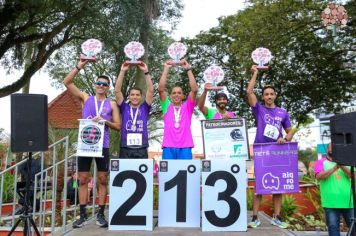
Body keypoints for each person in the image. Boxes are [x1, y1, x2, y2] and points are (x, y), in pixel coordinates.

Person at [64, 60, 120, 228]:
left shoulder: (111, 104)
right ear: (95, 85)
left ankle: (101, 214)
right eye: (99, 83)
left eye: (105, 84)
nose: (101, 85)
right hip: (85, 144)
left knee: (102, 179)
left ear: (108, 87)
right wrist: (80, 65)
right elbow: (67, 82)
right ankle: (82, 215)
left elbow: (117, 126)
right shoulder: (86, 98)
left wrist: (105, 121)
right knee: (82, 179)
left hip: (102, 145)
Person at [247, 65, 294, 229]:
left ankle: (277, 217)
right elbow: (249, 92)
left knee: (278, 186)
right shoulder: (258, 109)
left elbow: (290, 131)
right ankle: (254, 218)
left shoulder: (283, 112)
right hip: (261, 151)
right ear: (263, 96)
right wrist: (255, 73)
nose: (269, 96)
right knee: (259, 186)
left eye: (271, 94)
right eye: (266, 94)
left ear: (275, 95)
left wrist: (285, 139)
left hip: (278, 152)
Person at [158, 59, 198, 160]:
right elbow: (161, 89)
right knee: (167, 175)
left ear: (183, 96)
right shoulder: (167, 105)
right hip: (168, 146)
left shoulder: (187, 107)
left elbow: (194, 90)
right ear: (170, 96)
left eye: (179, 93)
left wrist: (188, 69)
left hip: (185, 146)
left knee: (186, 175)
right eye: (174, 93)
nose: (176, 95)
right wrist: (166, 69)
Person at [115, 61, 153, 158]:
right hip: (125, 146)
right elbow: (117, 91)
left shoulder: (145, 107)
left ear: (141, 97)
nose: (135, 97)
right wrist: (122, 71)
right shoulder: (124, 107)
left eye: (137, 95)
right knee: (125, 173)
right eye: (132, 95)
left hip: (141, 147)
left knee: (140, 173)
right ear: (129, 96)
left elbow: (151, 90)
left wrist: (146, 72)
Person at [314, 143, 353, 236]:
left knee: (353, 228)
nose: (334, 150)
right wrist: (335, 168)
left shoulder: (349, 161)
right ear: (327, 149)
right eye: (331, 148)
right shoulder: (320, 162)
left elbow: (353, 175)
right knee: (333, 228)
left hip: (348, 202)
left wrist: (342, 165)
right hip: (330, 202)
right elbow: (319, 176)